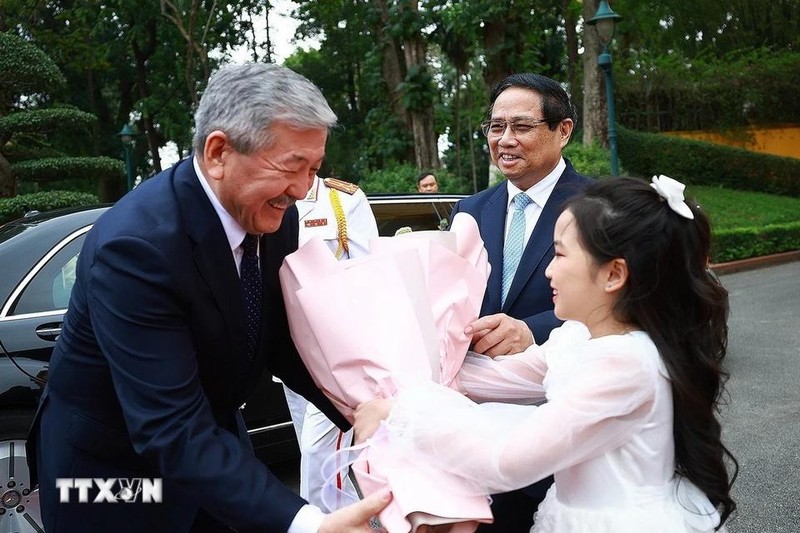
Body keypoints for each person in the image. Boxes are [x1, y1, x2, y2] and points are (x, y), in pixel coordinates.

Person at [27, 63, 390, 532]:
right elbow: (170, 428)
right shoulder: (137, 247)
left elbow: (281, 336)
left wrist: (359, 406)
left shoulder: (273, 216)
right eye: (292, 167)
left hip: (213, 444)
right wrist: (307, 525)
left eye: (315, 170)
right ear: (219, 152)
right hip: (113, 477)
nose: (302, 191)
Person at [355, 176, 738, 533]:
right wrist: (397, 370)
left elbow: (506, 460)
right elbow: (494, 378)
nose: (549, 272)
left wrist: (401, 413)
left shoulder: (626, 365)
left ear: (613, 274)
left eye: (560, 255)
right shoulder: (579, 335)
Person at [448, 72, 593, 531]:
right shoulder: (469, 210)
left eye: (521, 127)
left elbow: (626, 303)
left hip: (564, 425)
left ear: (563, 130)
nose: (504, 140)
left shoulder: (600, 205)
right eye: (495, 127)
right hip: (480, 434)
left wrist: (532, 330)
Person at [283, 173, 378, 510]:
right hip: (288, 353)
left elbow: (368, 276)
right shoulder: (268, 195)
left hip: (336, 355)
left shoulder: (342, 200)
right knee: (320, 461)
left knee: (317, 455)